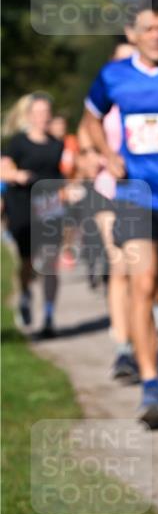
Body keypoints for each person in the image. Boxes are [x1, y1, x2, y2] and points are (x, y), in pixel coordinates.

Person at [82, 0, 158, 427]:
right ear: (132, 34)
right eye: (149, 29)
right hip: (135, 194)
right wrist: (106, 154)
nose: (157, 36)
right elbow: (91, 118)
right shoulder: (113, 75)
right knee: (143, 282)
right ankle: (150, 384)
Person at [78, 39, 137, 380]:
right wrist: (103, 157)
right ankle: (123, 348)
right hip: (111, 191)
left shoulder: (152, 95)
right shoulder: (103, 104)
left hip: (151, 191)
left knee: (148, 272)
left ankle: (152, 333)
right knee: (121, 267)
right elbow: (85, 145)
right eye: (122, 60)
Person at [1, 92, 64, 338]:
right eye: (38, 112)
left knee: (50, 263)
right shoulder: (18, 143)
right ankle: (25, 295)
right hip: (22, 206)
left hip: (49, 207)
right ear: (29, 116)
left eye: (46, 112)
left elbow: (60, 174)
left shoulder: (57, 144)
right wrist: (18, 176)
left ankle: (49, 316)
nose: (43, 117)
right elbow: (3, 171)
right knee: (27, 262)